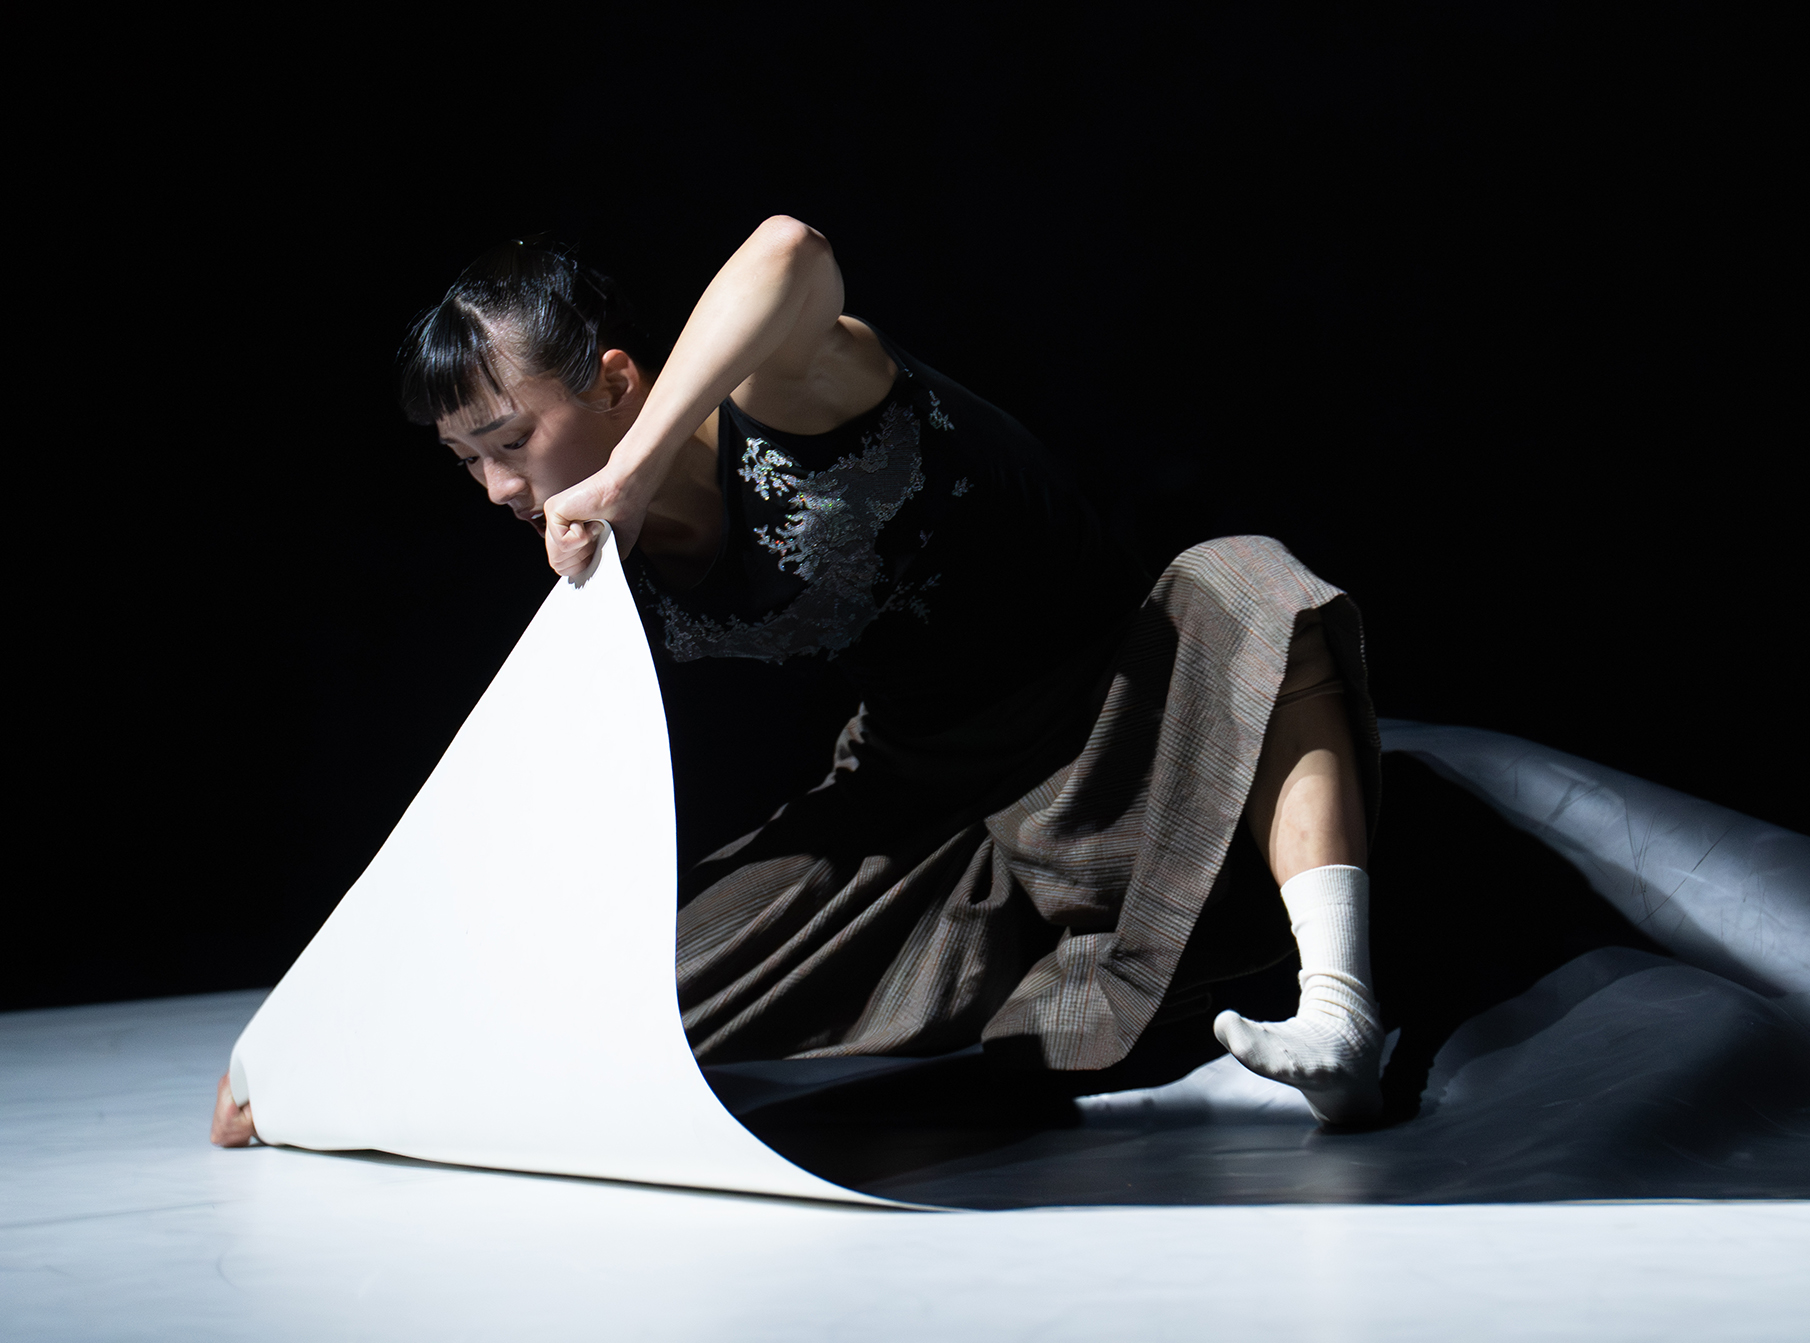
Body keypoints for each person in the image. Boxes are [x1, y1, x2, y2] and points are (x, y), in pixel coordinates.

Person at [212, 219, 1386, 1148]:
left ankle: (1338, 1013)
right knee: (633, 984)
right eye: (466, 461)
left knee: (1242, 579)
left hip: (1126, 707)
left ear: (616, 380)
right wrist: (315, 1042)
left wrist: (628, 471)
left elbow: (789, 249)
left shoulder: (786, 400)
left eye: (511, 441)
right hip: (935, 797)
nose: (498, 490)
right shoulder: (603, 566)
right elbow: (516, 810)